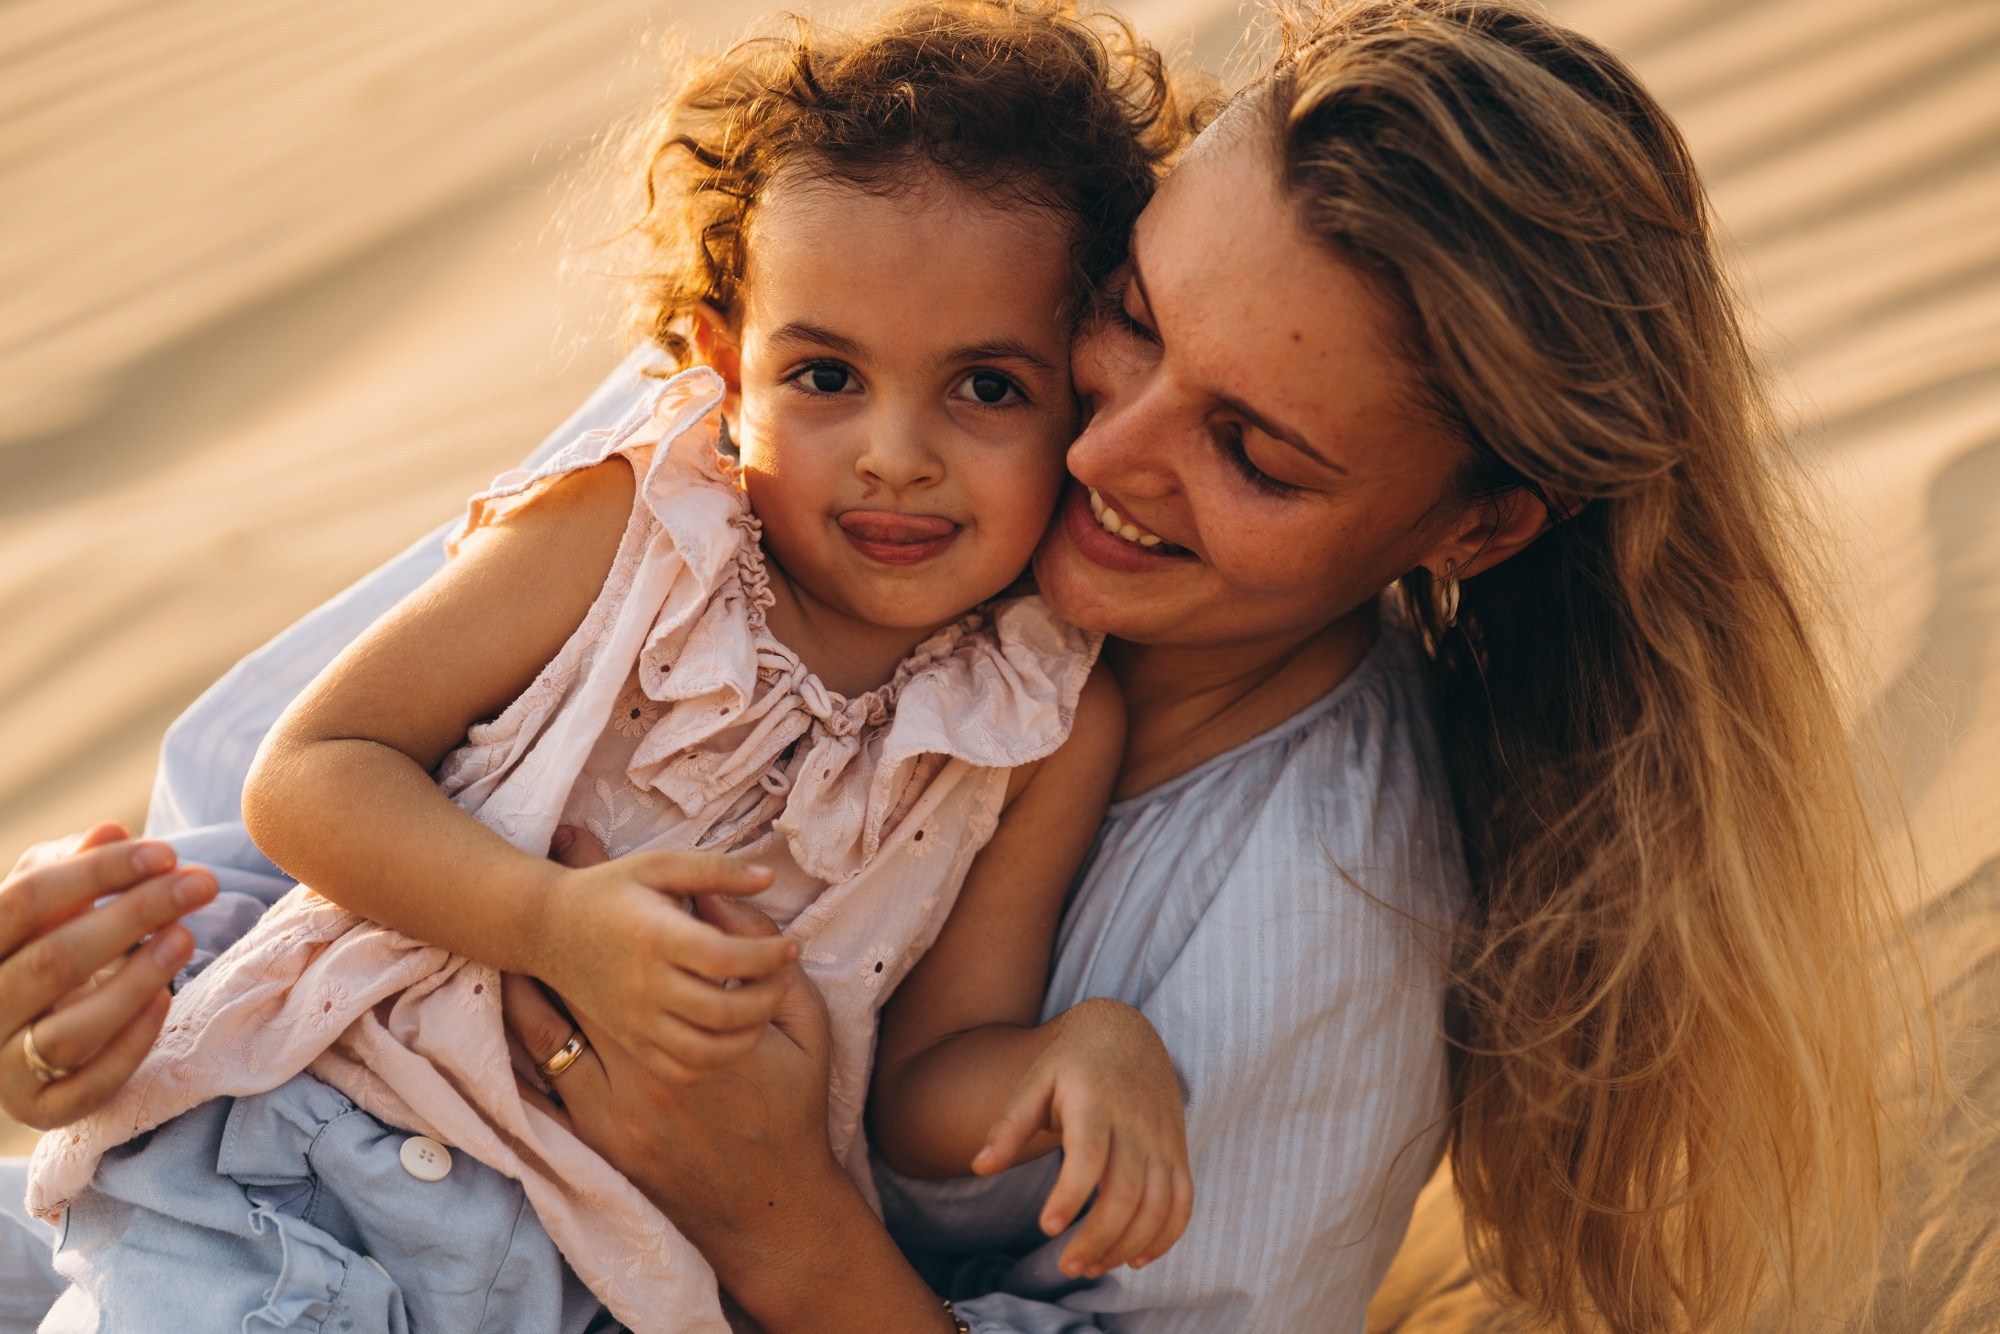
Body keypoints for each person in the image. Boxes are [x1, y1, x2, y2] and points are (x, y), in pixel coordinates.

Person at [0, 1, 1904, 1330]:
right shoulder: (789, 427)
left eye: (1251, 448)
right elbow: (286, 803)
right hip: (231, 1179)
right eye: (1128, 321)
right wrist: (86, 986)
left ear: (1473, 527)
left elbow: (930, 1078)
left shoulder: (1315, 916)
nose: (1094, 446)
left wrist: (785, 1215)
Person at [16, 6, 1204, 1331]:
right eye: (824, 373)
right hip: (309, 1159)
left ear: (1084, 399)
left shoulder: (1040, 722)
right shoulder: (631, 529)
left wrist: (1082, 1050)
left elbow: (925, 1078)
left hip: (604, 1277)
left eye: (986, 387)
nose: (894, 451)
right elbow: (308, 776)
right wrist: (551, 926)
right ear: (722, 365)